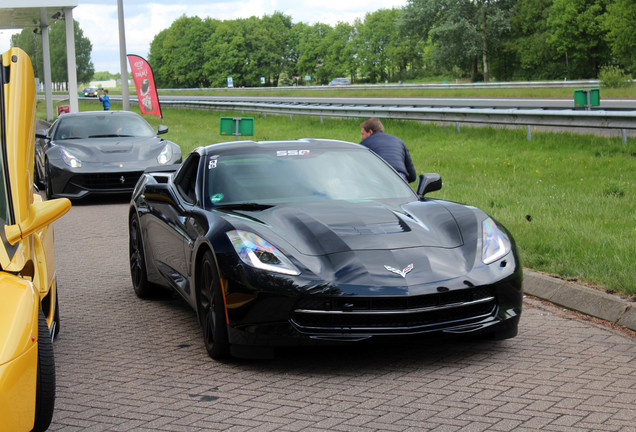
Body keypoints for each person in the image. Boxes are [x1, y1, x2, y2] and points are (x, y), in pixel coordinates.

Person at [360, 118, 417, 182]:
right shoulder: (398, 141)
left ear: (370, 132)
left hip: (380, 176)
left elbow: (359, 170)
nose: (362, 138)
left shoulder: (365, 143)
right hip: (400, 176)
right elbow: (412, 175)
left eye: (363, 134)